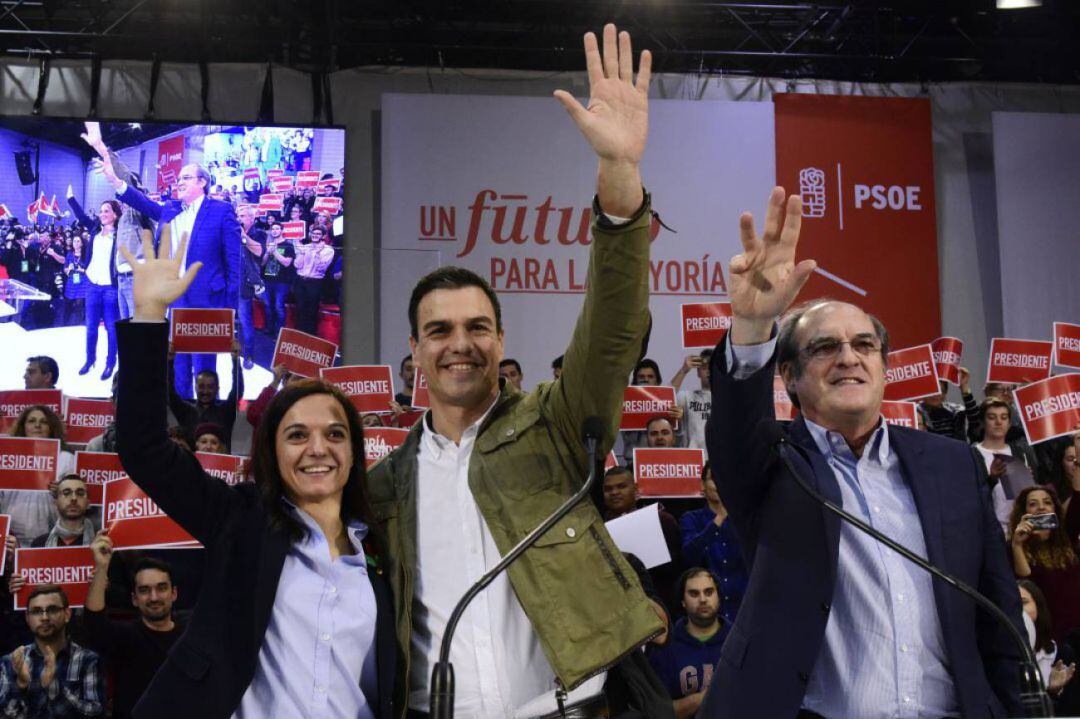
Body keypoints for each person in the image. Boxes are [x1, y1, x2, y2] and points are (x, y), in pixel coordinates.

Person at [367, 25, 670, 718]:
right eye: (439, 330)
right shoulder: (384, 486)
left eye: (476, 326)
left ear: (501, 339)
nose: (459, 344)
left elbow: (613, 330)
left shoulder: (554, 423)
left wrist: (621, 186)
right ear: (414, 349)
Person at [700, 186, 1024, 717]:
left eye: (864, 345)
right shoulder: (770, 462)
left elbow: (998, 620)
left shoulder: (954, 465)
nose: (848, 357)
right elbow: (736, 425)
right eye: (824, 347)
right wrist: (755, 325)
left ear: (884, 367)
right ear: (789, 377)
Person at [112, 225, 394, 717]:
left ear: (354, 451)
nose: (317, 449)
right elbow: (145, 449)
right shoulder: (239, 520)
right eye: (296, 435)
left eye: (334, 434)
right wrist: (151, 315)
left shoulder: (383, 546)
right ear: (271, 451)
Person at [98, 153, 241, 400]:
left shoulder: (221, 211)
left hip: (206, 301)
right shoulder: (171, 210)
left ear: (202, 182)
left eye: (186, 177)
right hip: (174, 300)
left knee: (204, 370)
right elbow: (141, 202)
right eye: (179, 178)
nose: (180, 182)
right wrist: (114, 179)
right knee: (178, 367)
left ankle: (206, 423)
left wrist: (229, 309)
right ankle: (179, 417)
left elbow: (233, 264)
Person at [83, 537, 185, 719]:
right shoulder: (124, 635)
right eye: (144, 590)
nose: (154, 597)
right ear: (134, 599)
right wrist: (101, 567)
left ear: (174, 593)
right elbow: (94, 622)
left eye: (161, 588)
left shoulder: (191, 636)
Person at [0, 585, 104, 717]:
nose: (44, 617)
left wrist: (53, 687)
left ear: (67, 614)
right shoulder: (10, 662)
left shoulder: (88, 660)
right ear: (27, 618)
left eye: (52, 609)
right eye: (37, 611)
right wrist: (20, 686)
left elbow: (94, 715)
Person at [647, 568, 729, 718]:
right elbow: (658, 712)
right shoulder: (665, 647)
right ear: (683, 602)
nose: (703, 599)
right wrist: (704, 698)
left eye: (709, 592)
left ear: (718, 597)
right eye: (694, 594)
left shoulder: (738, 640)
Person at [603, 467, 683, 613]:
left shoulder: (662, 520)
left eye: (621, 486)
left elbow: (677, 567)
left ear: (635, 488)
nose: (614, 492)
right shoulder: (597, 530)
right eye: (608, 489)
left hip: (661, 608)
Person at [679, 462, 748, 624]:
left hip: (743, 612)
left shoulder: (745, 521)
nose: (720, 484)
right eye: (714, 479)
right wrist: (718, 520)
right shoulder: (690, 519)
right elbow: (689, 556)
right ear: (702, 485)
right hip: (706, 614)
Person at [1010, 485, 1080, 642]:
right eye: (1033, 504)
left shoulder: (1066, 540)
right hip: (1053, 637)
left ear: (1054, 508)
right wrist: (1017, 545)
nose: (1041, 507)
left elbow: (1077, 501)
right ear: (1024, 512)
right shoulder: (1014, 547)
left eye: (1047, 502)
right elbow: (1027, 584)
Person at [66, 190, 122, 380]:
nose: (102, 214)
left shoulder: (121, 234)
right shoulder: (95, 230)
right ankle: (90, 360)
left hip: (110, 287)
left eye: (106, 211)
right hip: (92, 285)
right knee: (90, 326)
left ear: (115, 214)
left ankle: (110, 363)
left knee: (111, 328)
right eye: (101, 211)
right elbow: (81, 217)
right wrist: (71, 199)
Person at [2, 405, 75, 546]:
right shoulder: (7, 457)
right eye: (31, 421)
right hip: (10, 537)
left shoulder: (66, 458)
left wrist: (61, 492)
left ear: (51, 428)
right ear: (23, 427)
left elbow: (75, 498)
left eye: (44, 422)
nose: (37, 425)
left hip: (50, 536)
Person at [974, 397, 1039, 534]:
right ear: (982, 422)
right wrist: (991, 479)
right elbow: (969, 496)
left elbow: (1031, 494)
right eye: (992, 417)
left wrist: (1029, 483)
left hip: (1020, 527)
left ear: (1009, 423)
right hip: (987, 530)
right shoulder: (973, 453)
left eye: (1004, 417)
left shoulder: (1021, 452)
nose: (998, 422)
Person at [1017, 579, 1079, 713]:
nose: (1018, 610)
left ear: (1039, 607)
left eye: (1023, 602)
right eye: (1012, 604)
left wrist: (1054, 691)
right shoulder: (999, 658)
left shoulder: (1062, 653)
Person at [167, 344, 243, 448]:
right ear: (196, 388)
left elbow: (237, 390)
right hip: (191, 464)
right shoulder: (186, 412)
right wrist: (170, 361)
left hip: (220, 464)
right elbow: (169, 393)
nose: (205, 391)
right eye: (201, 386)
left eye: (210, 387)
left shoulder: (226, 411)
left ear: (217, 389)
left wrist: (235, 360)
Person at [237, 206, 266, 370]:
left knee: (245, 321)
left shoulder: (259, 233)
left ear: (251, 218)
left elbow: (259, 252)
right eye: (237, 215)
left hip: (244, 285)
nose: (238, 218)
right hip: (229, 282)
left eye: (241, 215)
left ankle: (248, 355)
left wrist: (242, 235)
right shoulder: (232, 232)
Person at [31, 475, 95, 548]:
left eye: (80, 493)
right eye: (66, 493)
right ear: (56, 502)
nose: (73, 498)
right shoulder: (39, 544)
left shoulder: (99, 544)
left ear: (88, 502)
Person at [293, 225, 335, 335]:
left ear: (323, 236)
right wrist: (302, 253)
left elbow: (321, 268)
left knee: (312, 310)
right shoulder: (305, 247)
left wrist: (317, 253)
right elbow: (297, 265)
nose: (315, 236)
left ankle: (310, 335)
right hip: (300, 281)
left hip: (315, 283)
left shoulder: (328, 250)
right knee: (300, 308)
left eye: (318, 234)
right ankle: (299, 335)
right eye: (313, 233)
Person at [260, 221, 295, 340]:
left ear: (282, 230)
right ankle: (269, 329)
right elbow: (263, 263)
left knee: (279, 306)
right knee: (268, 305)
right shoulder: (268, 244)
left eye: (277, 228)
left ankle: (279, 333)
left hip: (282, 282)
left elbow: (287, 263)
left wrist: (274, 252)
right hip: (267, 279)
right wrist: (267, 253)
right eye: (273, 229)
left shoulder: (288, 245)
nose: (274, 230)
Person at [670, 349, 712, 450]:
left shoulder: (729, 399)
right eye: (705, 368)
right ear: (698, 372)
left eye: (713, 367)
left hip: (721, 459)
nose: (709, 371)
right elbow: (666, 399)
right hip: (693, 459)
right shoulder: (686, 397)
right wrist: (684, 370)